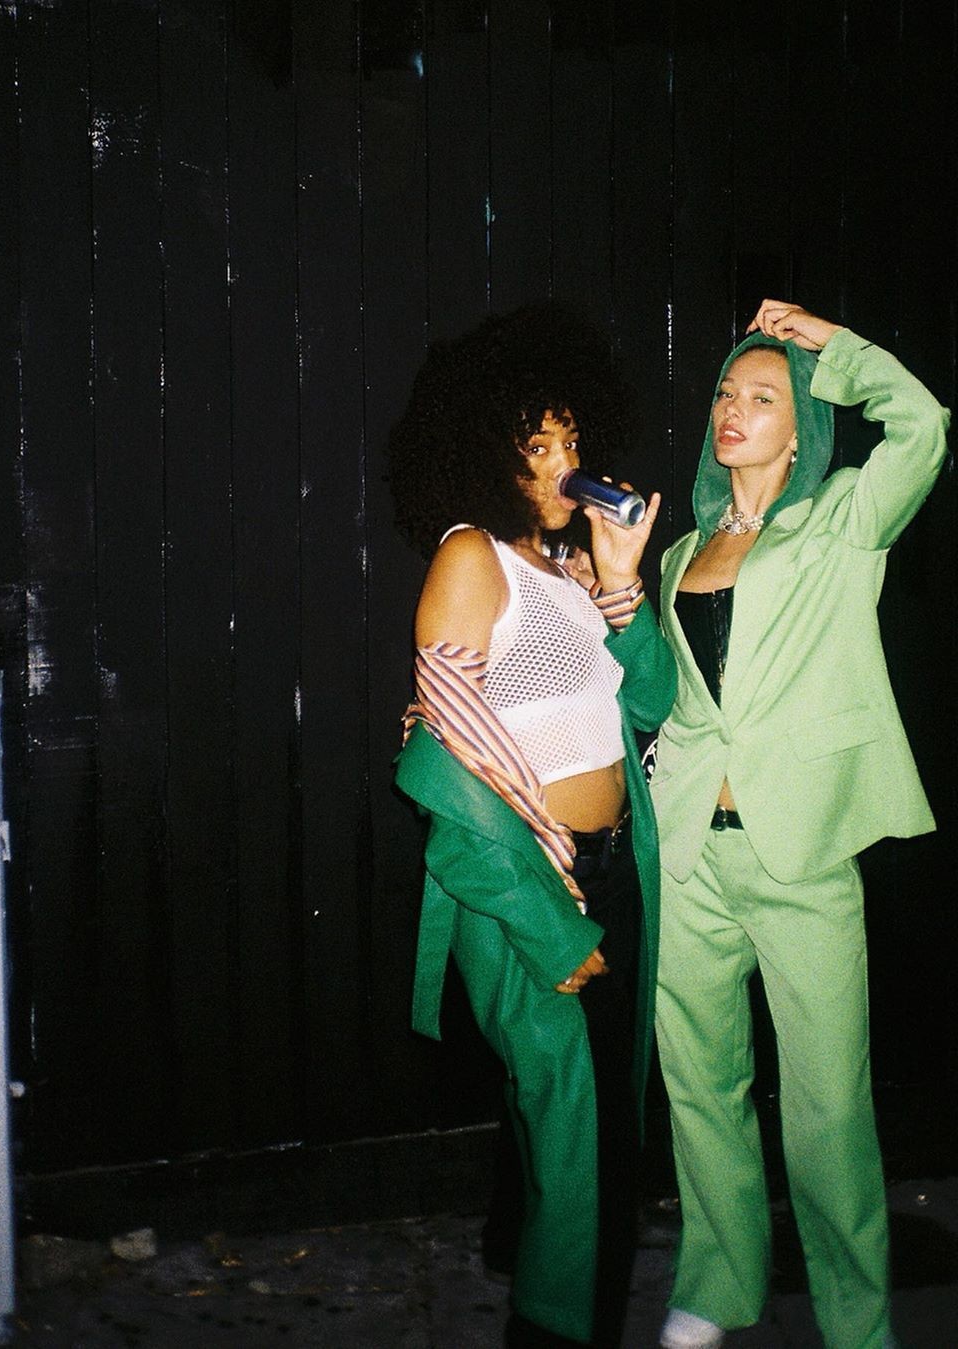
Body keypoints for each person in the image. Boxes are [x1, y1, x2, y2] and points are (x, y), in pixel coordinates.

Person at [651, 299, 950, 1349]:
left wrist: (829, 345)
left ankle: (857, 1320)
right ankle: (718, 1282)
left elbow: (924, 425)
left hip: (803, 853)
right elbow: (683, 697)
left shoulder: (842, 523)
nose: (734, 409)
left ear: (802, 428)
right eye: (726, 393)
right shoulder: (679, 550)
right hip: (690, 853)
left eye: (765, 398)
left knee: (829, 1106)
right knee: (701, 1088)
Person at [386, 305, 676, 1347]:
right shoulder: (473, 559)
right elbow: (445, 776)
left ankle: (525, 1252)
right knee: (582, 1141)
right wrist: (549, 925)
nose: (565, 465)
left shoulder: (565, 573)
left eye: (570, 441)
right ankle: (556, 1330)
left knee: (590, 1111)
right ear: (483, 451)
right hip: (530, 885)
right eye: (537, 445)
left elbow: (653, 701)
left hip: (616, 867)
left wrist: (621, 579)